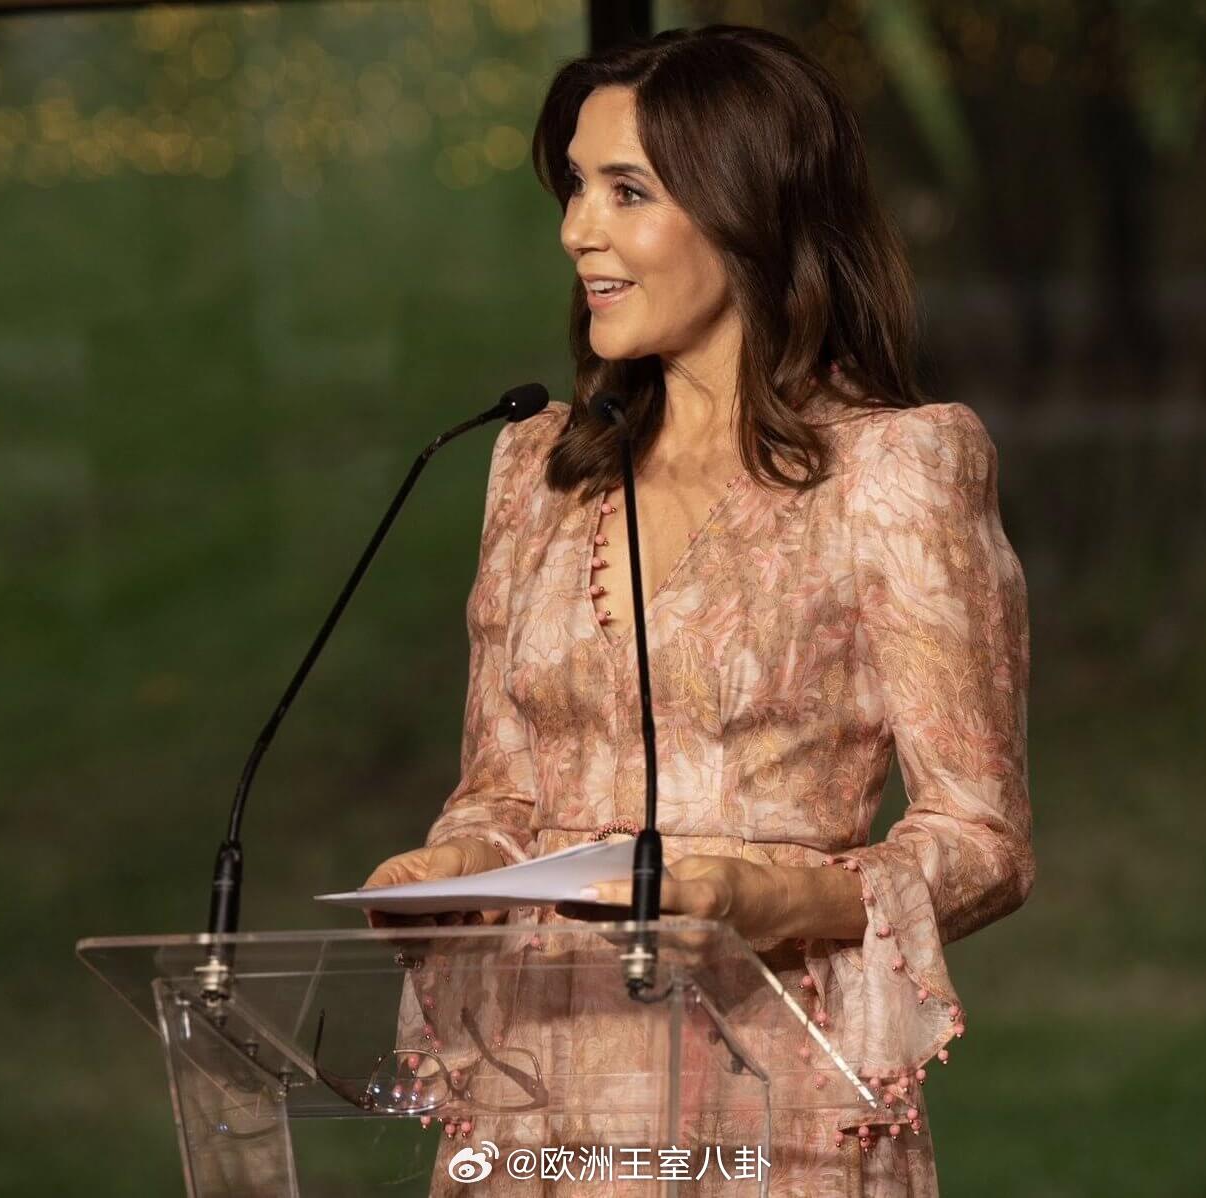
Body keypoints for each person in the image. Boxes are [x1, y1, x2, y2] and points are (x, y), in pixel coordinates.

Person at [362, 24, 1034, 1196]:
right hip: (538, 1096)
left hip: (767, 1101)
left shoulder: (895, 470)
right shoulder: (536, 469)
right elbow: (503, 790)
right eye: (576, 187)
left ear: (749, 209)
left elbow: (982, 840)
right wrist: (456, 866)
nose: (578, 229)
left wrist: (763, 896)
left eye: (626, 191)